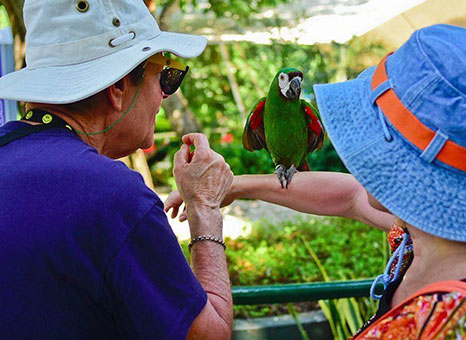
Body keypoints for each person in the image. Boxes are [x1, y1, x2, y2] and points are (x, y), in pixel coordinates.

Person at [166, 24, 466, 338]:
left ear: (413, 164)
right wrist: (230, 185)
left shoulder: (447, 320)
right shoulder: (416, 231)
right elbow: (351, 196)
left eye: (378, 132)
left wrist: (207, 216)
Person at [0, 1, 233, 339]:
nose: (164, 96)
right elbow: (210, 336)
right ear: (119, 86)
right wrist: (205, 207)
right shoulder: (115, 198)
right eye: (165, 76)